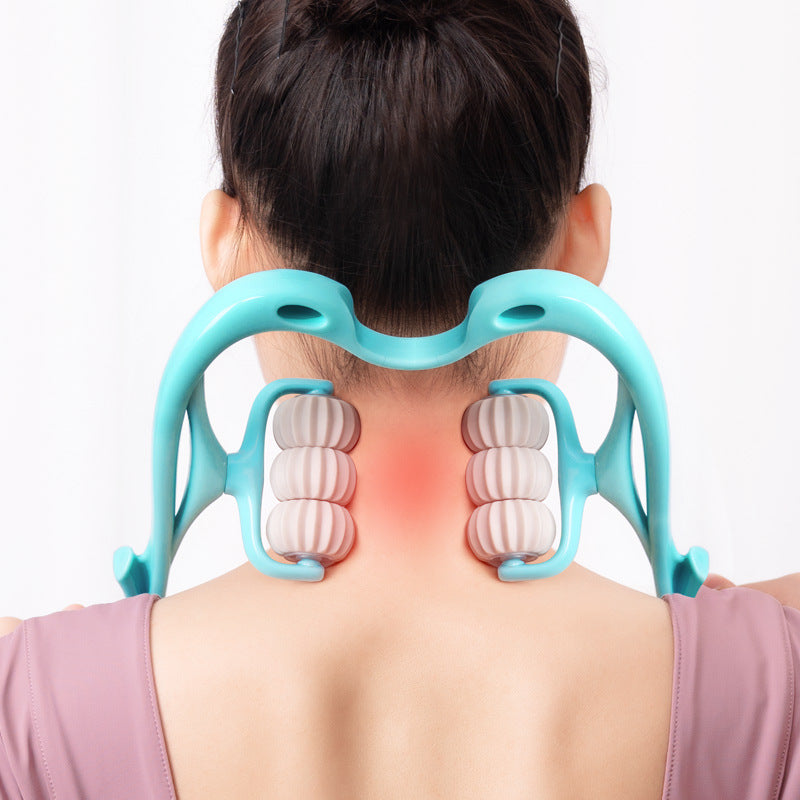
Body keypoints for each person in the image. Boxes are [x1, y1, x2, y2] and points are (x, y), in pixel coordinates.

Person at [1, 1, 799, 798]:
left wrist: (58, 687)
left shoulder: (32, 702)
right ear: (583, 241)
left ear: (226, 243)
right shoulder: (771, 680)